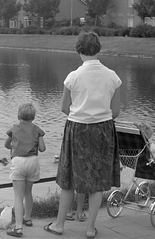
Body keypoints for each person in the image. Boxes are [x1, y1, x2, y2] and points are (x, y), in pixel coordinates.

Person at [44, 32, 121, 239]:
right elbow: (115, 112)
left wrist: (82, 115)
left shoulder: (73, 76)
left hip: (77, 128)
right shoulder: (112, 76)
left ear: (79, 51)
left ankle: (59, 225)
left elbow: (63, 108)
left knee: (69, 177)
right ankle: (89, 228)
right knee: (97, 179)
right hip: (103, 129)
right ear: (98, 49)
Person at [4, 103, 46, 237]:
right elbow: (43, 148)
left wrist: (15, 146)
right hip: (33, 161)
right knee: (28, 192)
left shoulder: (14, 129)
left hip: (18, 161)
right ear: (33, 117)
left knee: (18, 195)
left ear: (18, 116)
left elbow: (6, 144)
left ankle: (18, 227)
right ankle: (27, 218)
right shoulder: (37, 130)